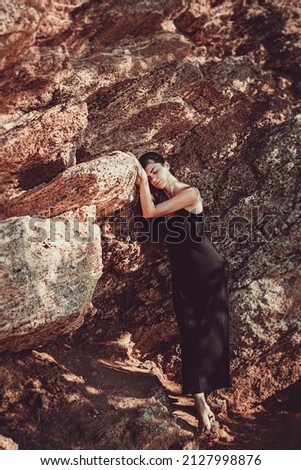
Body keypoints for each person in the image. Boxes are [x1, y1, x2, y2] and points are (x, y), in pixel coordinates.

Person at [135, 151, 230, 434]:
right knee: (189, 331)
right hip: (183, 276)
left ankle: (202, 400)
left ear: (167, 165)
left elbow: (149, 212)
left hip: (207, 269)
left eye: (154, 172)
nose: (153, 180)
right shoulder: (163, 202)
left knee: (208, 332)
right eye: (148, 176)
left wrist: (141, 181)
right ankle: (199, 400)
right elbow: (147, 216)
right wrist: (144, 187)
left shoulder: (190, 193)